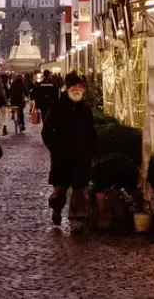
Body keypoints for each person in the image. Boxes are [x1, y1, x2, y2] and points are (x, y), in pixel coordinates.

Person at [42, 71, 96, 232]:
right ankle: (56, 208)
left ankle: (76, 220)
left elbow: (91, 131)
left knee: (79, 189)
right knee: (60, 188)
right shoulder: (57, 107)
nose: (78, 89)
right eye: (74, 86)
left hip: (81, 156)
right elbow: (46, 132)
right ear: (67, 88)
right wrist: (54, 148)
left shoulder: (86, 108)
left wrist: (90, 148)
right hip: (62, 156)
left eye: (80, 86)